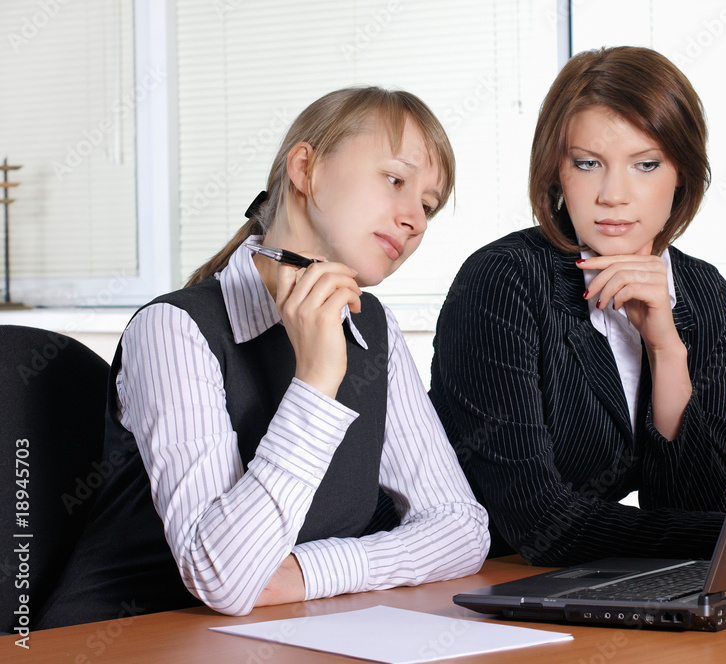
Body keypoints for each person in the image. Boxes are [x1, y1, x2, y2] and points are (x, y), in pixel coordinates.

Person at [38, 87, 489, 628]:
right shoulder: (174, 330)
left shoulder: (374, 330)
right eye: (395, 180)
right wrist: (317, 382)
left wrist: (306, 572)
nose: (414, 218)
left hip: (291, 630)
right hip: (128, 637)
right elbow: (223, 576)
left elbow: (462, 529)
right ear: (305, 168)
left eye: (428, 205)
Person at [429, 47, 726, 566]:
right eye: (588, 163)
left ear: (681, 170)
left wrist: (667, 349)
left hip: (584, 580)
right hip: (463, 580)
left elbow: (691, 507)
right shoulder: (505, 280)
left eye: (645, 164)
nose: (614, 195)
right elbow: (536, 524)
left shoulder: (702, 293)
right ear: (557, 170)